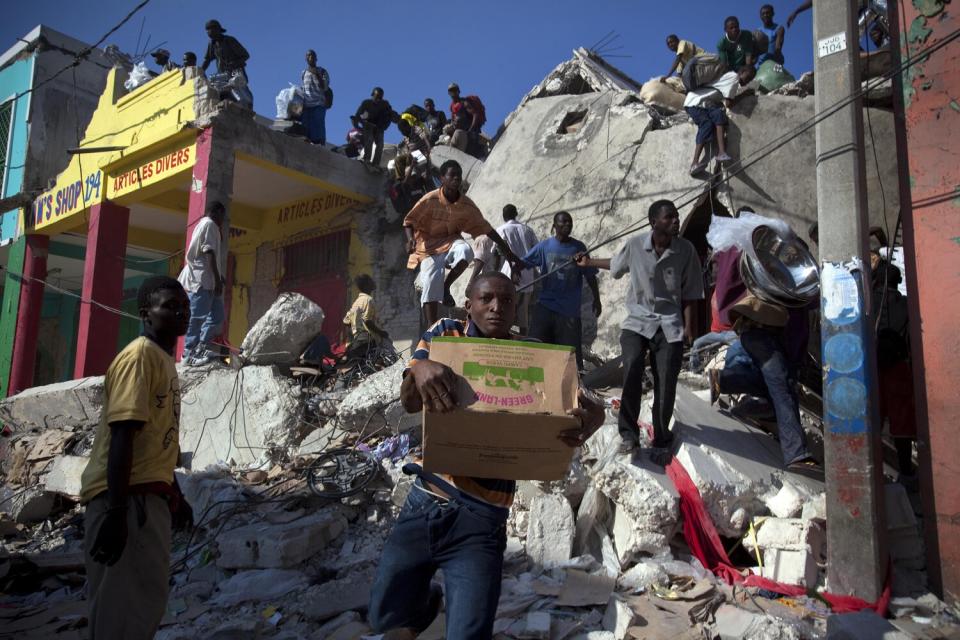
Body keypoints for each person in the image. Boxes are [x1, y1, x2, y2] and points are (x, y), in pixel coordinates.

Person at [368, 272, 605, 639]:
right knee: (385, 617)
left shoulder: (532, 354)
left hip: (482, 521)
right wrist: (419, 370)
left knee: (469, 633)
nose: (497, 307)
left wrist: (595, 414)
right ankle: (426, 607)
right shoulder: (446, 334)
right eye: (487, 299)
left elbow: (581, 401)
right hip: (427, 502)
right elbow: (408, 399)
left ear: (517, 307)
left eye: (507, 300)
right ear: (469, 305)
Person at [80, 276, 194, 640]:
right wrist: (116, 513)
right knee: (122, 610)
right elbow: (123, 435)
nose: (181, 313)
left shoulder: (161, 359)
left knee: (144, 602)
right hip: (128, 499)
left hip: (147, 496)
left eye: (185, 306)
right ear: (146, 313)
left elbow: (153, 440)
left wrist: (175, 493)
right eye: (170, 306)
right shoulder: (139, 357)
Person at [577, 200, 704, 464]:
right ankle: (629, 434)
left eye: (677, 216)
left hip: (669, 325)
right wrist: (589, 262)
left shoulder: (686, 250)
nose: (676, 221)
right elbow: (615, 265)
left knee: (666, 380)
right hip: (637, 322)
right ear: (654, 222)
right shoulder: (635, 245)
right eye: (670, 217)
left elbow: (692, 292)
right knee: (632, 366)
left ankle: (661, 436)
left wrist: (690, 330)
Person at [404, 160, 523, 326]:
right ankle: (432, 329)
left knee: (466, 251)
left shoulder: (466, 205)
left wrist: (510, 255)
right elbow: (409, 220)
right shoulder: (429, 200)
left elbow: (488, 230)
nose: (456, 179)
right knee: (431, 281)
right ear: (442, 178)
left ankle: (446, 287)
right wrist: (410, 239)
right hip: (428, 245)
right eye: (452, 175)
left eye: (458, 176)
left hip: (450, 241)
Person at [524, 211, 601, 371]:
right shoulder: (545, 246)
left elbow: (591, 275)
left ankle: (576, 388)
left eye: (570, 222)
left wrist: (597, 299)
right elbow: (525, 262)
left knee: (571, 356)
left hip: (569, 311)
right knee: (535, 349)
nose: (567, 225)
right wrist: (511, 258)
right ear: (554, 226)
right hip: (545, 306)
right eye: (563, 222)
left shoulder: (579, 248)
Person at [178, 201, 226, 366]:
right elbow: (209, 253)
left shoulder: (207, 226)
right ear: (217, 212)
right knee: (197, 318)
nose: (223, 220)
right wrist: (218, 280)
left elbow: (210, 256)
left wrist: (220, 276)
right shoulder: (209, 225)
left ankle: (201, 347)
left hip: (210, 281)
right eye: (223, 216)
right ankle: (188, 353)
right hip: (202, 281)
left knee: (217, 316)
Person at [684, 65, 756, 174]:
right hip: (695, 102)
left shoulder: (730, 77)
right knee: (706, 124)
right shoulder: (734, 79)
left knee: (719, 114)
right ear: (742, 71)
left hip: (706, 104)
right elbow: (729, 104)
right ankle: (694, 163)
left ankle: (721, 153)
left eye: (750, 80)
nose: (748, 81)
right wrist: (744, 94)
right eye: (748, 77)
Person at [497, 204, 539, 335]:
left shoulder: (501, 230)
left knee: (507, 306)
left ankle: (505, 335)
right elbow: (536, 250)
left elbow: (498, 252)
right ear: (516, 214)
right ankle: (523, 338)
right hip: (527, 273)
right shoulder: (527, 230)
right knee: (523, 310)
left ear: (504, 216)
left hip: (510, 272)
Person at [343, 274, 389, 357]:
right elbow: (367, 321)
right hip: (368, 341)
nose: (373, 282)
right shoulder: (368, 300)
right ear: (367, 285)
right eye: (371, 281)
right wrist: (381, 332)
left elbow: (346, 321)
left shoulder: (357, 302)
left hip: (358, 341)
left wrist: (356, 329)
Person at [352, 87, 394, 167]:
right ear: (372, 95)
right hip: (368, 125)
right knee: (370, 139)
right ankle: (367, 159)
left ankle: (376, 163)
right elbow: (357, 115)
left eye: (379, 98)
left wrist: (384, 126)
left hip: (378, 127)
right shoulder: (366, 103)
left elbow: (390, 115)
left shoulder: (384, 104)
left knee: (380, 144)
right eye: (376, 97)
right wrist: (358, 126)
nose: (377, 100)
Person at [301, 49, 330, 146]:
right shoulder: (303, 72)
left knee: (318, 124)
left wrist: (316, 74)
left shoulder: (322, 71)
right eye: (308, 56)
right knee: (306, 125)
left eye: (312, 56)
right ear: (305, 58)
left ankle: (321, 143)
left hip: (319, 103)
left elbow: (324, 87)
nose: (310, 58)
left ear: (316, 58)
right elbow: (304, 87)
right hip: (307, 104)